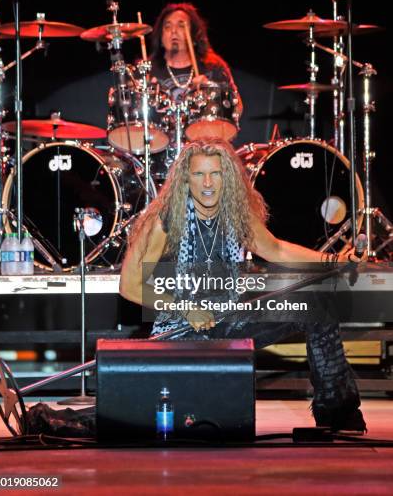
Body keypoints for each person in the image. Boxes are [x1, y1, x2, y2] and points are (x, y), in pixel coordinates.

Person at [120, 138, 367, 433]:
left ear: (229, 178)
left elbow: (276, 250)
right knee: (155, 417)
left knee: (316, 303)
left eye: (217, 174)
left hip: (230, 317)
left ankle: (337, 411)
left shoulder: (236, 215)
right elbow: (129, 285)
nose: (208, 183)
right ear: (185, 178)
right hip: (183, 330)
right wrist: (185, 309)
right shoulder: (164, 222)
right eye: (199, 174)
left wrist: (333, 261)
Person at [149, 2, 243, 137]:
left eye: (181, 25)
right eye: (167, 26)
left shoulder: (212, 66)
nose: (173, 31)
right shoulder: (148, 70)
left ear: (194, 35)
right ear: (161, 37)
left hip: (202, 145)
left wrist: (210, 88)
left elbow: (237, 108)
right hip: (159, 147)